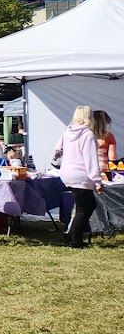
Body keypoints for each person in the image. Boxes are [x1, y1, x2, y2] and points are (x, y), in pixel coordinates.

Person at [54, 105, 105, 248]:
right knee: (86, 207)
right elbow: (91, 160)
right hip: (80, 174)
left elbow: (57, 149)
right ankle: (75, 240)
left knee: (82, 207)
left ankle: (69, 237)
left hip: (67, 173)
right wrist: (97, 180)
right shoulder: (88, 135)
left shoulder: (67, 131)